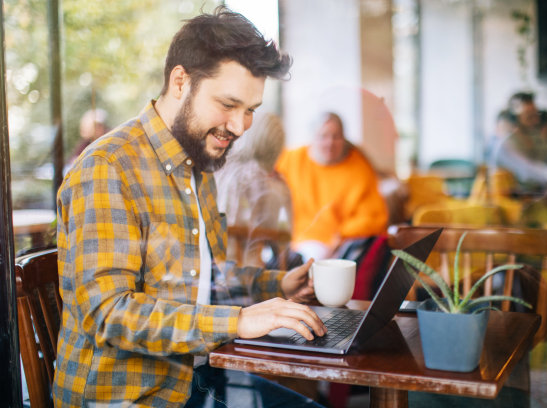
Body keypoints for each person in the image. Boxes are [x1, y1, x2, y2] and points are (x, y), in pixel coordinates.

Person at [54, 7, 327, 408]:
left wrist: (278, 286)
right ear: (180, 81)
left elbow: (205, 279)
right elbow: (110, 314)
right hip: (132, 397)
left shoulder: (198, 163)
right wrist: (237, 321)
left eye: (250, 110)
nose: (239, 127)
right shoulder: (109, 168)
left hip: (195, 381)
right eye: (228, 104)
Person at [275, 111, 388, 261]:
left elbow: (373, 217)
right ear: (313, 138)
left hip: (342, 245)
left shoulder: (358, 167)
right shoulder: (292, 159)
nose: (330, 143)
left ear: (344, 139)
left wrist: (340, 237)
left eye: (336, 136)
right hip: (296, 240)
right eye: (323, 136)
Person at [215, 112, 299, 268]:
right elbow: (284, 238)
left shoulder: (219, 171)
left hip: (213, 266)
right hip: (249, 273)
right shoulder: (274, 188)